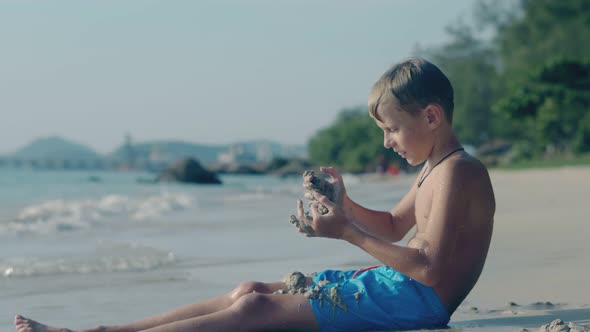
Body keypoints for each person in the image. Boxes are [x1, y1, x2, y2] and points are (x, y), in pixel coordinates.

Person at [14, 57, 495, 332]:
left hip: (416, 305)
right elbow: (393, 226)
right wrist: (343, 205)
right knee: (249, 290)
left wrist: (345, 231)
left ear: (431, 117)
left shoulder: (459, 173)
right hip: (398, 291)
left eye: (391, 129)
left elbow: (429, 269)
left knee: (254, 311)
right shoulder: (435, 168)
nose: (386, 142)